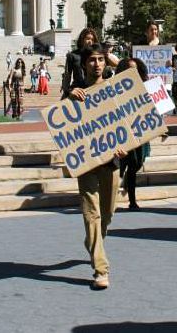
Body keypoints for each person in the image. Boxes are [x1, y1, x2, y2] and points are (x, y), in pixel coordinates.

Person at [65, 43, 128, 289]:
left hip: (112, 159)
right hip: (87, 161)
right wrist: (70, 96)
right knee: (92, 213)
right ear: (84, 64)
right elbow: (62, 123)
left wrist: (126, 146)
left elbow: (128, 120)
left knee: (107, 213)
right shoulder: (75, 93)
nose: (97, 64)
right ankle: (101, 270)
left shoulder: (115, 90)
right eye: (92, 60)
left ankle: (93, 241)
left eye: (101, 59)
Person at [115, 57, 151, 209]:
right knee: (127, 164)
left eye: (135, 69)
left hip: (141, 133)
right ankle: (132, 200)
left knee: (138, 163)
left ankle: (125, 183)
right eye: (129, 69)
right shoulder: (116, 90)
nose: (132, 72)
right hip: (124, 133)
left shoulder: (146, 87)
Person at [61, 28, 117, 97]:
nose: (90, 41)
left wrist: (107, 55)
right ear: (82, 40)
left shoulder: (100, 53)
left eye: (92, 39)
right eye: (88, 39)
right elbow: (67, 76)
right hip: (79, 89)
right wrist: (68, 91)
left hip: (99, 88)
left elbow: (117, 65)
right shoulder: (73, 55)